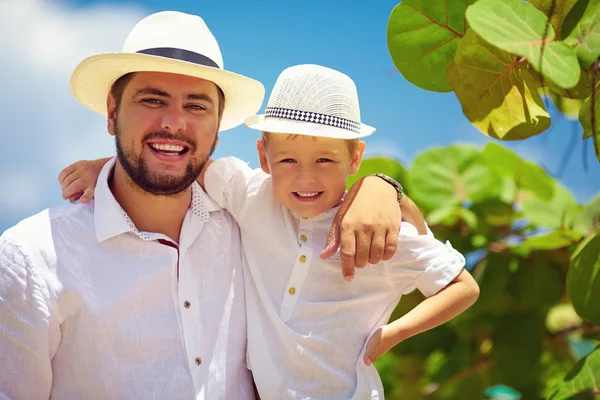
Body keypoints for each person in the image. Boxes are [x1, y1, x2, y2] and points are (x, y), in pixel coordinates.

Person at [0, 11, 426, 400]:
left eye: (197, 106)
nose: (173, 121)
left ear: (218, 130)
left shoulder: (252, 222)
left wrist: (382, 186)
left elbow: (413, 239)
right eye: (152, 99)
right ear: (113, 112)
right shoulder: (32, 259)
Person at [60, 64, 480, 399]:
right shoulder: (250, 195)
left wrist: (393, 334)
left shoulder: (369, 232)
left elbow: (462, 287)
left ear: (356, 159)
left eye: (325, 161)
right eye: (288, 161)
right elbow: (177, 164)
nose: (305, 178)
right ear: (263, 156)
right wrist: (107, 165)